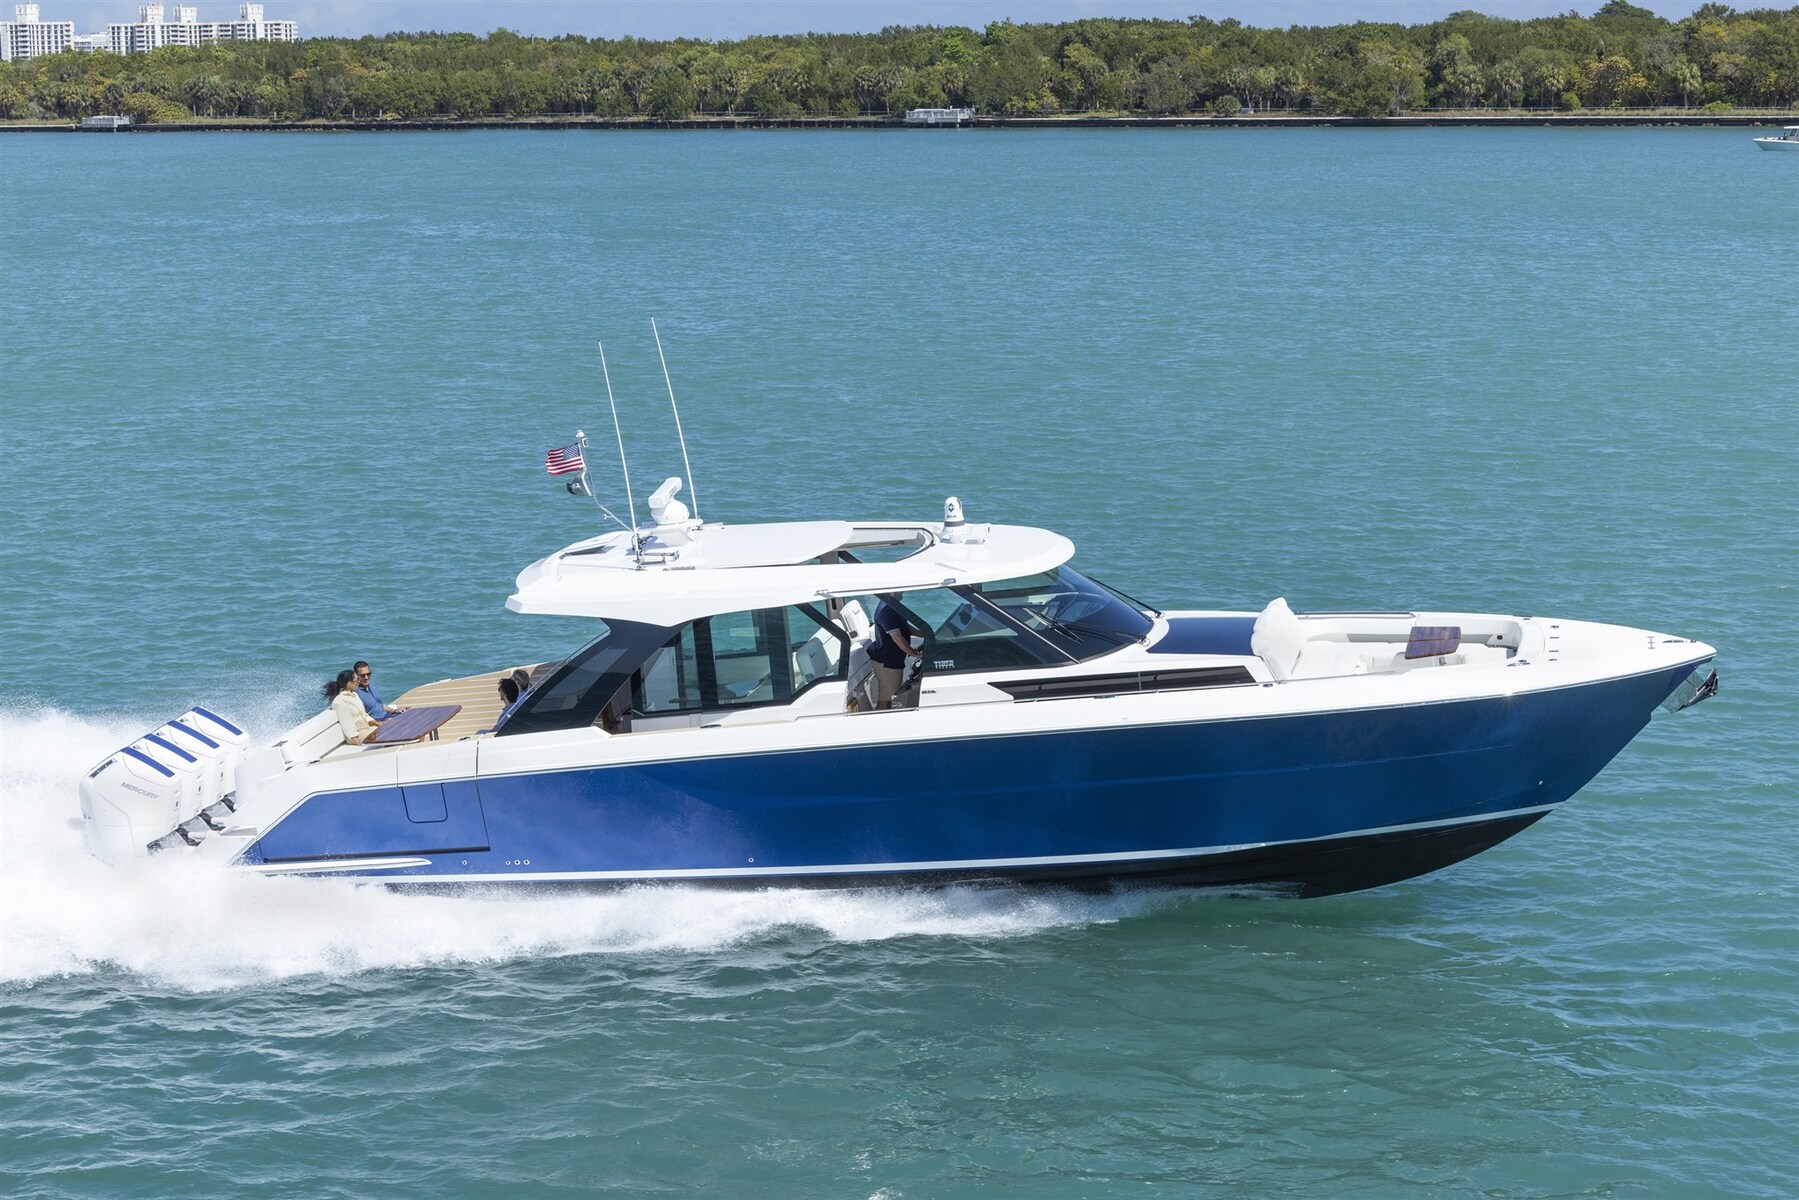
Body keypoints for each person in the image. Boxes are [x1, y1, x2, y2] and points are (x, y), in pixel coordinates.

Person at [869, 595, 924, 710]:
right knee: (886, 701)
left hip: (893, 661)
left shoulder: (892, 605)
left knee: (889, 699)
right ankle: (879, 721)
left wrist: (924, 634)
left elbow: (904, 627)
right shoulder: (886, 611)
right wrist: (916, 654)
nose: (903, 591)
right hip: (888, 663)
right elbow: (897, 638)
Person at [325, 669, 379, 745]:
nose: (359, 682)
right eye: (357, 680)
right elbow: (346, 723)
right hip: (357, 733)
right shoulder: (340, 701)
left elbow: (364, 714)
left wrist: (375, 722)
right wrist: (355, 740)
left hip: (366, 728)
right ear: (349, 683)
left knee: (386, 729)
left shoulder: (354, 695)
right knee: (379, 736)